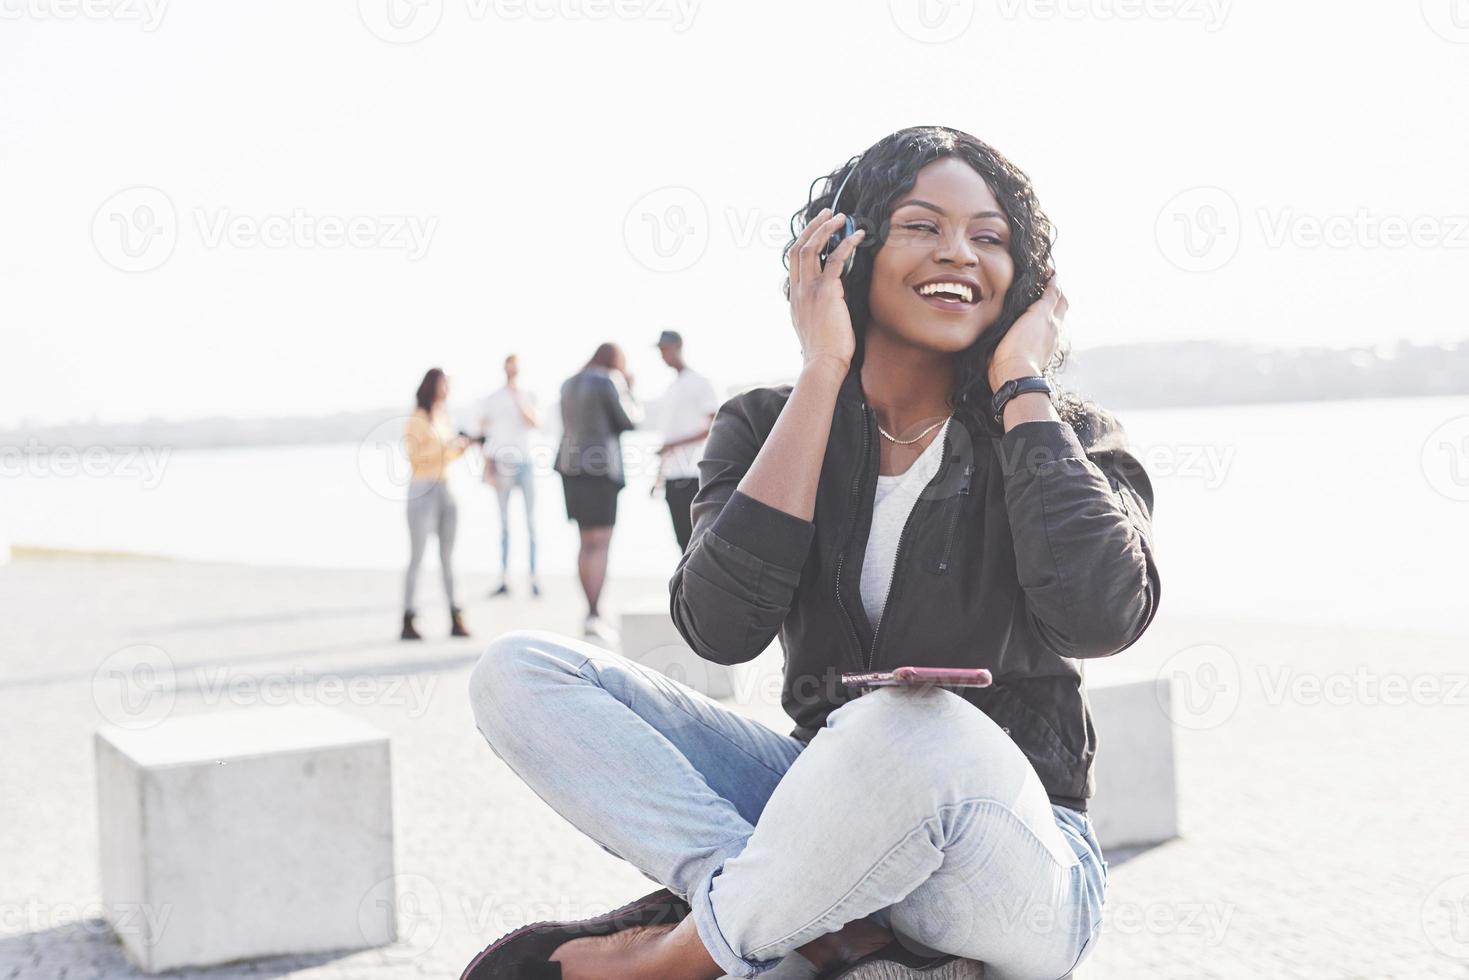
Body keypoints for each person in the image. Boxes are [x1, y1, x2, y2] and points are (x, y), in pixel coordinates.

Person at [463, 127, 1161, 980]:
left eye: (990, 237)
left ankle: (690, 953)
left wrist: (1022, 383)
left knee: (914, 723)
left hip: (1013, 859)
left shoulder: (1064, 433)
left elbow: (1099, 618)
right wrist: (822, 371)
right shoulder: (761, 424)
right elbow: (720, 629)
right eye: (921, 225)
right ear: (843, 251)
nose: (959, 253)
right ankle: (798, 921)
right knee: (520, 670)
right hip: (824, 806)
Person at [552, 342, 643, 646]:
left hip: (570, 468)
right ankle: (595, 611)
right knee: (601, 542)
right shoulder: (609, 380)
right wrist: (630, 387)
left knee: (584, 541)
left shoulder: (568, 383)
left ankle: (589, 611)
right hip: (600, 468)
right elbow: (630, 420)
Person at [401, 367, 474, 641]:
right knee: (417, 556)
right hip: (422, 489)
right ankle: (408, 616)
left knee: (449, 556)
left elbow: (445, 455)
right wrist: (447, 446)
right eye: (444, 385)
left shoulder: (443, 417)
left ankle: (457, 615)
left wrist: (460, 446)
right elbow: (415, 457)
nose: (447, 390)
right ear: (432, 386)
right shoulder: (417, 420)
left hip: (445, 486)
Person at [650, 330, 719, 555]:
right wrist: (658, 478)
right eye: (660, 351)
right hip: (672, 476)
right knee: (683, 543)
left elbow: (713, 427)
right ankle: (687, 590)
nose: (662, 356)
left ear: (678, 347)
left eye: (665, 349)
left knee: (697, 542)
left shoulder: (700, 382)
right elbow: (668, 438)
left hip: (693, 474)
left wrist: (672, 446)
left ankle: (697, 589)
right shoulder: (671, 388)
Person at [479, 354, 542, 599]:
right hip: (501, 462)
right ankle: (504, 578)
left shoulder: (529, 394)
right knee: (504, 525)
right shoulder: (492, 398)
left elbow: (533, 422)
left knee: (531, 523)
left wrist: (516, 396)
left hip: (525, 461)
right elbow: (485, 433)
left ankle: (534, 578)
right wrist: (488, 467)